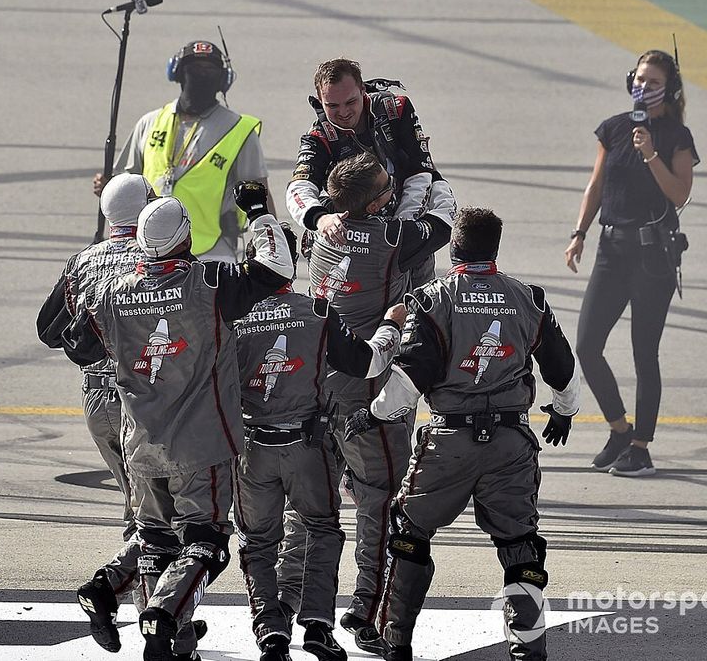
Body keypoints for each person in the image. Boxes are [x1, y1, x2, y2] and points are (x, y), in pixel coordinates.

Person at [61, 183, 294, 661]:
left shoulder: (109, 292)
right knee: (207, 541)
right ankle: (163, 618)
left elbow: (74, 345)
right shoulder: (208, 282)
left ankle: (105, 590)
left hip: (139, 439)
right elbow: (277, 269)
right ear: (186, 238)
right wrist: (257, 214)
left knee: (155, 538)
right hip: (201, 441)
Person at [346, 206, 581, 661]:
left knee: (410, 533)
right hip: (512, 443)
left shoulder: (432, 300)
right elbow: (564, 371)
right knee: (521, 546)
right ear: (495, 247)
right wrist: (564, 412)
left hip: (447, 442)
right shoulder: (528, 298)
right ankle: (527, 649)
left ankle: (397, 644)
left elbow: (409, 381)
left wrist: (373, 415)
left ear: (454, 247)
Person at [232, 222, 406, 661]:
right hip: (306, 448)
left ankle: (270, 632)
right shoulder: (317, 310)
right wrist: (390, 325)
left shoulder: (228, 317)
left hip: (251, 450)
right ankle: (316, 626)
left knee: (257, 543)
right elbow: (368, 363)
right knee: (324, 529)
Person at [303, 152, 450, 653]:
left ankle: (299, 610)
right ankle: (369, 610)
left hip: (318, 384)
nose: (392, 190)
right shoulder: (391, 241)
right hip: (370, 390)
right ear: (375, 200)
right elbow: (441, 226)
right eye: (386, 187)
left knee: (314, 510)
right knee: (381, 501)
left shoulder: (318, 233)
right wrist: (427, 175)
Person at [566, 49, 697, 478]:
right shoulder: (615, 128)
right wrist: (579, 233)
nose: (643, 87)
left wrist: (651, 153)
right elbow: (596, 185)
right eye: (639, 78)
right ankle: (619, 428)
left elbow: (680, 194)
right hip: (610, 249)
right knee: (586, 345)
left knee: (645, 352)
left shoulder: (677, 136)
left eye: (653, 81)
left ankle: (641, 446)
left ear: (668, 88)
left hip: (652, 257)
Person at [37, 172, 154, 539]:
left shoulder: (81, 262)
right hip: (144, 400)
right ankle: (146, 589)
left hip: (97, 400)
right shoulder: (156, 257)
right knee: (152, 513)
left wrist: (89, 341)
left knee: (135, 502)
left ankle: (142, 585)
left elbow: (47, 330)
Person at [93, 40, 274, 262]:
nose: (201, 75)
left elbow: (260, 192)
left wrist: (272, 247)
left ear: (222, 80)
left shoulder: (239, 130)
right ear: (177, 73)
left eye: (209, 70)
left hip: (211, 249)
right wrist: (108, 187)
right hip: (149, 247)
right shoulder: (149, 123)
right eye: (194, 69)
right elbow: (126, 182)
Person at [285, 57, 456, 285]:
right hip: (353, 243)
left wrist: (400, 229)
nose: (343, 112)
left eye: (350, 102)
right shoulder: (318, 136)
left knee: (418, 304)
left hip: (405, 229)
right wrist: (322, 219)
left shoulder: (396, 109)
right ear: (320, 101)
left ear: (363, 90)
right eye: (332, 106)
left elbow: (422, 170)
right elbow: (298, 188)